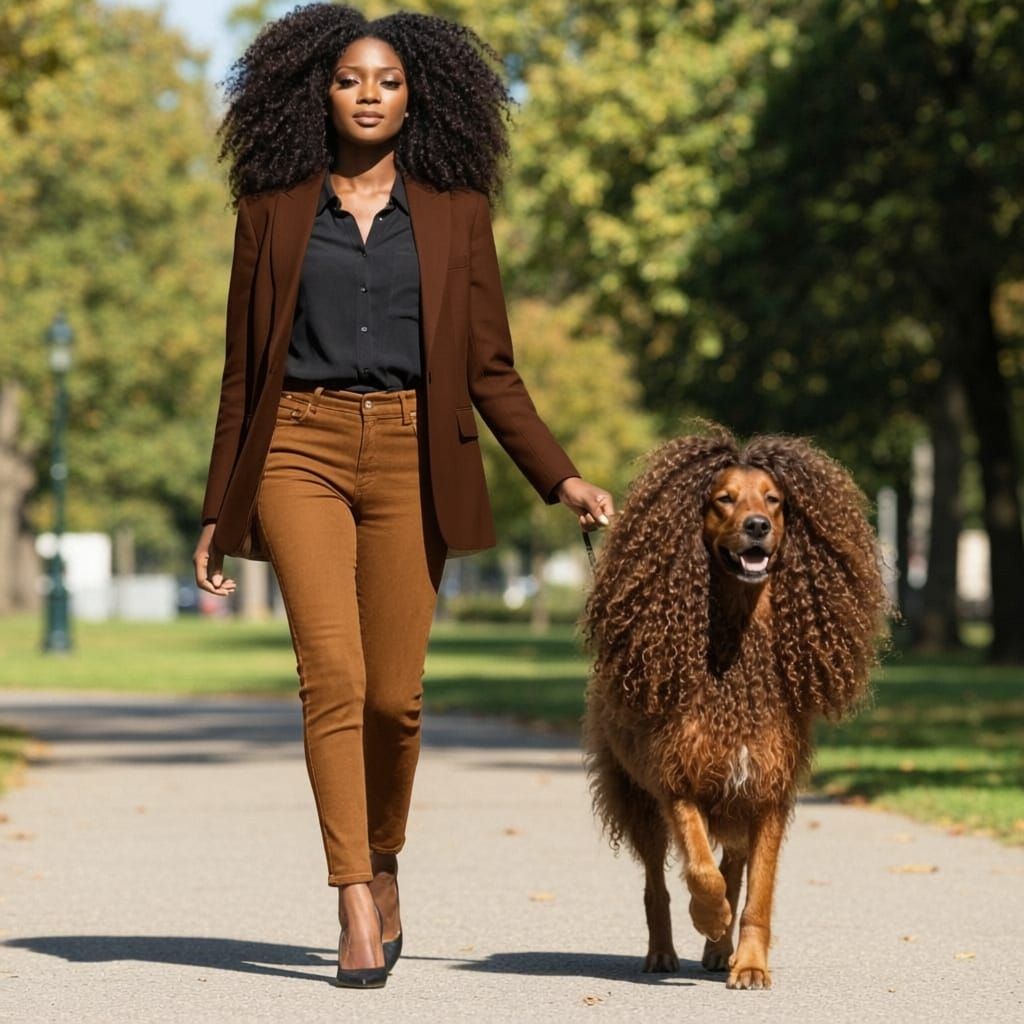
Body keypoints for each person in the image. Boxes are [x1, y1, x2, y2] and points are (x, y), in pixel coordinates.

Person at [192, 3, 614, 990]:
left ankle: (385, 857)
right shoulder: (272, 206)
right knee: (331, 677)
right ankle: (349, 895)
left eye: (386, 79)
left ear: (416, 91)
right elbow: (240, 376)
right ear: (318, 92)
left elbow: (492, 370)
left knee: (395, 697)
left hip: (414, 454)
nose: (369, 93)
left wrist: (560, 477)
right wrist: (221, 505)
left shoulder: (458, 212)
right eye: (349, 79)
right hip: (300, 443)